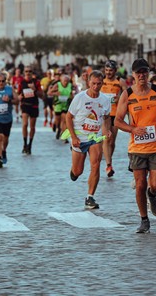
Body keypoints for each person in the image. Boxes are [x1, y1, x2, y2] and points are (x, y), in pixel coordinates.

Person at [114, 58, 156, 233]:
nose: (142, 75)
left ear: (148, 73)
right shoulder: (127, 94)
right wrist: (132, 129)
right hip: (137, 147)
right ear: (133, 75)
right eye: (138, 73)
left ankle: (152, 193)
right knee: (139, 184)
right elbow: (117, 121)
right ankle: (144, 220)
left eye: (144, 72)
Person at [65, 70, 112, 209]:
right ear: (88, 83)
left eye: (99, 84)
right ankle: (73, 171)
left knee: (96, 165)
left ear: (102, 83)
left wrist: (107, 129)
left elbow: (107, 117)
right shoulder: (79, 98)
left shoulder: (105, 100)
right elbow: (68, 117)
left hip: (95, 137)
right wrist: (73, 137)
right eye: (93, 84)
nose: (96, 87)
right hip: (79, 137)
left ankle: (90, 197)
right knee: (78, 171)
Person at [100, 60, 127, 178]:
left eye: (110, 70)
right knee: (106, 138)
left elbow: (128, 94)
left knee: (112, 141)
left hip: (116, 113)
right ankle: (108, 164)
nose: (108, 73)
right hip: (104, 114)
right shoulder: (101, 81)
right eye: (106, 70)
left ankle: (109, 158)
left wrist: (120, 98)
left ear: (115, 71)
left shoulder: (120, 81)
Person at [18, 67, 43, 155]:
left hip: (34, 106)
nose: (28, 73)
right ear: (24, 72)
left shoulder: (36, 82)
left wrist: (34, 89)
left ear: (32, 73)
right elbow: (18, 94)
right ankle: (24, 144)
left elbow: (41, 95)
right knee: (25, 124)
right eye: (26, 71)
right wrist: (19, 97)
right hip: (25, 105)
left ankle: (30, 145)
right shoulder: (21, 82)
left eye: (30, 71)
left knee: (32, 127)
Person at [50, 74, 74, 140]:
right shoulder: (57, 85)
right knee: (58, 120)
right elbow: (49, 93)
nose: (66, 82)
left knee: (64, 120)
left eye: (67, 81)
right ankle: (58, 129)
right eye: (64, 81)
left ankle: (64, 135)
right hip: (58, 105)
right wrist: (55, 93)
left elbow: (72, 94)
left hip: (66, 105)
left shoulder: (70, 86)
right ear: (61, 81)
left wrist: (72, 97)